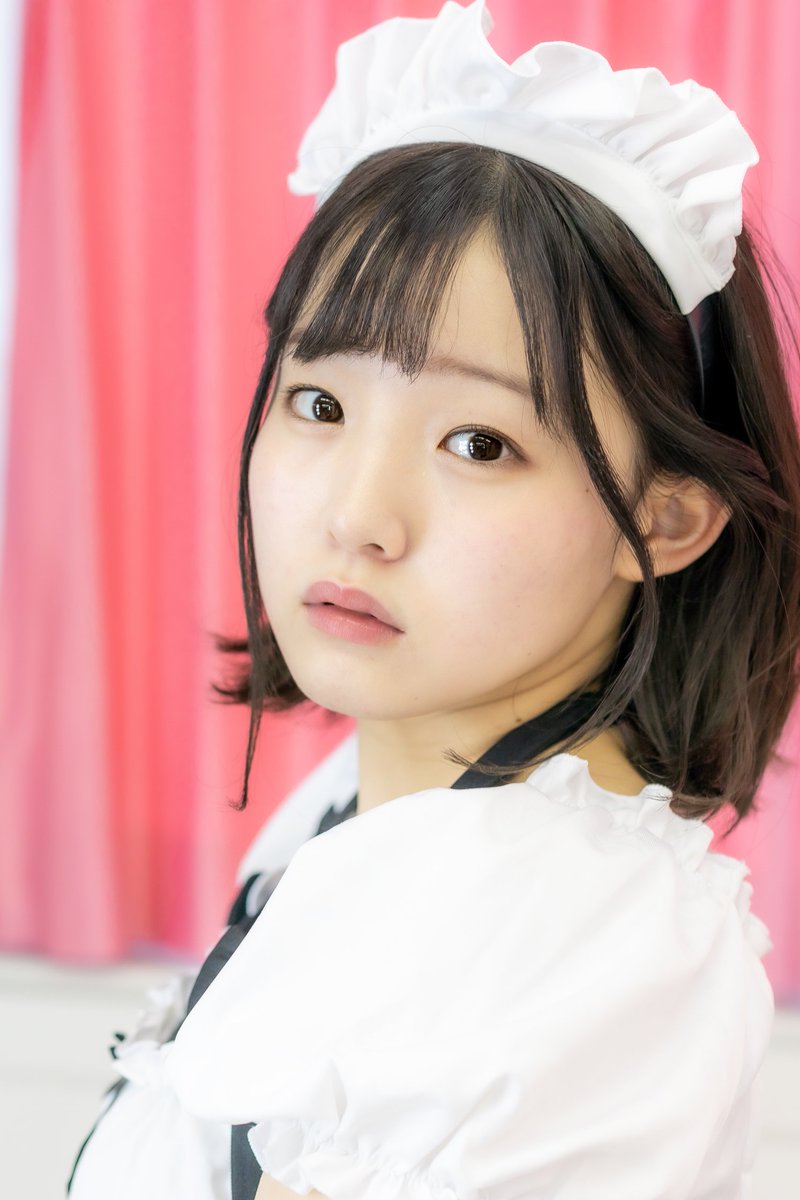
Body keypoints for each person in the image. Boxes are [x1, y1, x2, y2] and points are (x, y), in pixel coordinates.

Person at [68, 2, 800, 1197]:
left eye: (478, 442)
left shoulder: (576, 944)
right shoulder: (374, 810)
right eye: (317, 403)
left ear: (663, 518)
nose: (358, 515)